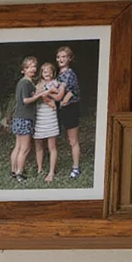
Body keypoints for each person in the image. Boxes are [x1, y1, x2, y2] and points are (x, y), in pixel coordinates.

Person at [9, 57, 49, 183]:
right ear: (23, 70)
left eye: (33, 66)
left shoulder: (26, 82)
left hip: (18, 117)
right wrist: (39, 95)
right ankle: (20, 173)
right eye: (28, 67)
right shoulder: (25, 83)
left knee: (18, 146)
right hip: (24, 118)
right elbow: (25, 101)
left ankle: (14, 171)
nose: (32, 69)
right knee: (25, 148)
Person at [33, 61, 63, 182]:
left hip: (50, 116)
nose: (47, 74)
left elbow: (56, 93)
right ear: (41, 73)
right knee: (38, 144)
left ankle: (51, 172)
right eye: (45, 71)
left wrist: (46, 94)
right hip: (40, 116)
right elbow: (35, 96)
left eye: (50, 71)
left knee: (52, 145)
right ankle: (39, 169)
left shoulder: (55, 83)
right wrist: (44, 96)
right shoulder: (38, 84)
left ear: (53, 73)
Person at [56, 46, 81, 179]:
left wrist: (63, 101)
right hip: (63, 109)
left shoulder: (70, 73)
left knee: (73, 140)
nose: (61, 59)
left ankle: (76, 168)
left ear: (70, 58)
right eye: (59, 57)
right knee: (67, 138)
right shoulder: (59, 74)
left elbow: (72, 91)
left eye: (64, 57)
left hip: (71, 108)